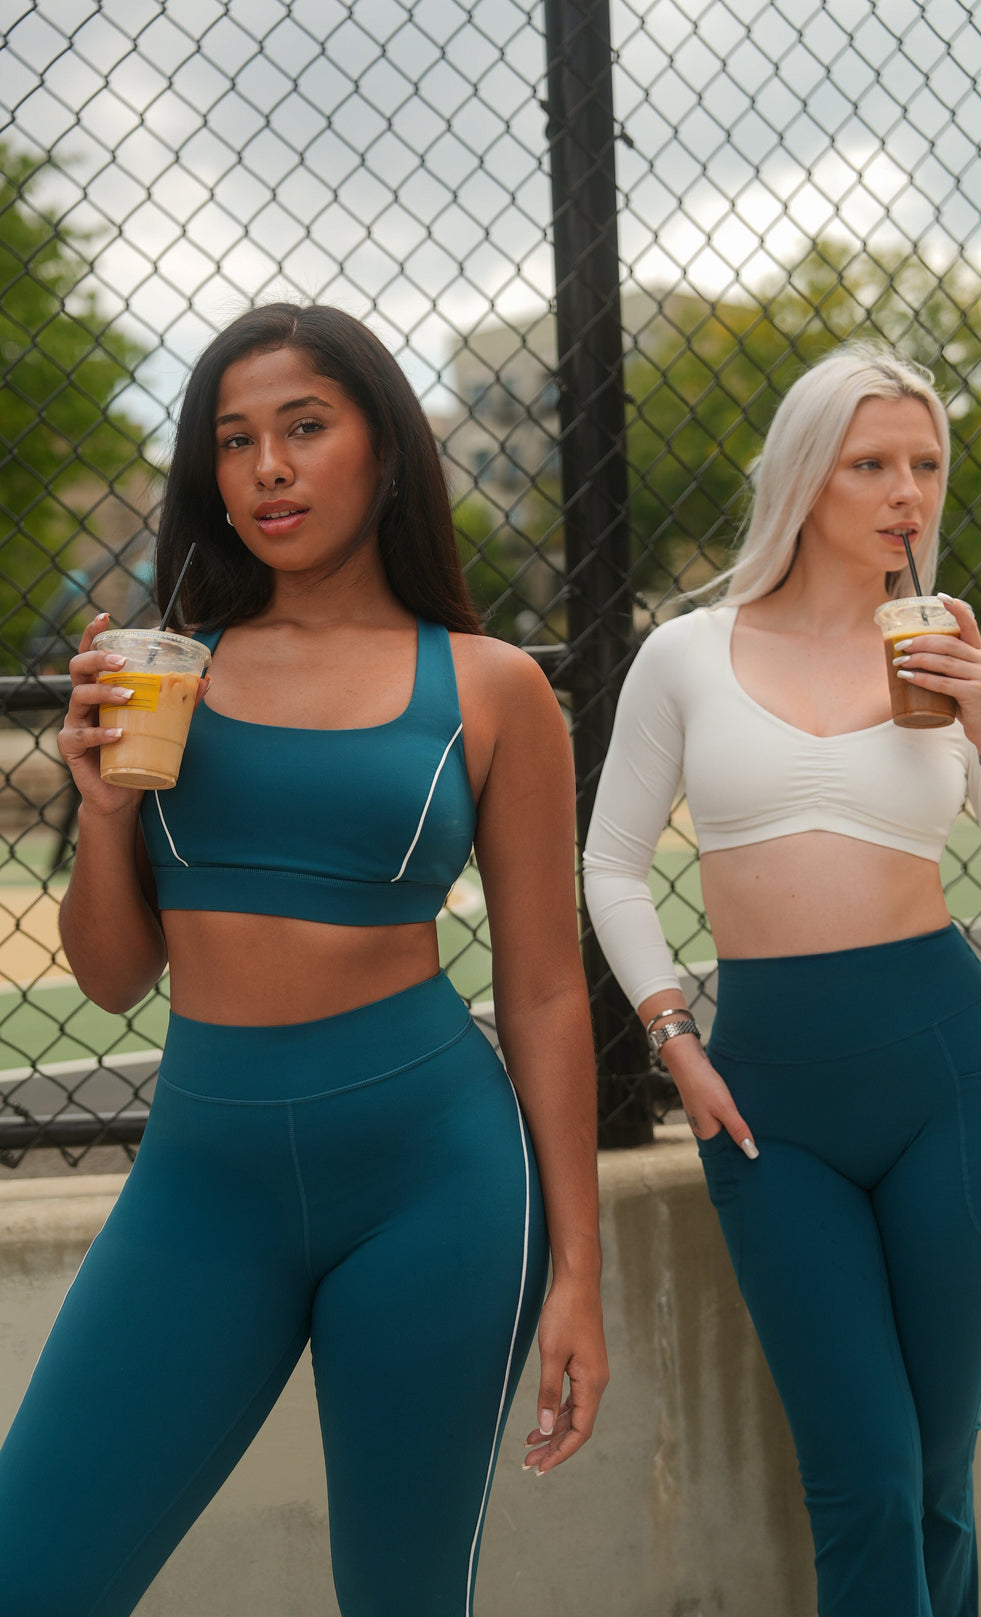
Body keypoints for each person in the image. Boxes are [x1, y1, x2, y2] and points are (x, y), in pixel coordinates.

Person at [0, 303, 607, 1617]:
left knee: (400, 1594)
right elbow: (111, 980)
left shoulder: (493, 686)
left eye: (304, 427)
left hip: (434, 1180)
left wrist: (579, 1273)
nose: (267, 466)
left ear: (382, 450)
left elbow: (549, 988)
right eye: (234, 440)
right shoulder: (169, 673)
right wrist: (101, 813)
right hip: (200, 1186)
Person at [583, 344, 981, 1617]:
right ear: (808, 478)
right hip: (766, 1111)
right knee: (860, 1477)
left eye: (924, 464)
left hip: (957, 1091)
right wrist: (675, 1040)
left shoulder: (962, 660)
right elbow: (615, 867)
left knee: (931, 1476)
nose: (906, 491)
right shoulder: (687, 653)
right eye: (872, 463)